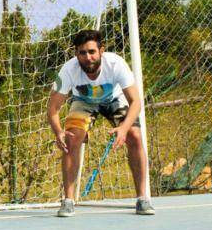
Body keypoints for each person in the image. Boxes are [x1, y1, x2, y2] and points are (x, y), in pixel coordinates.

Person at [46, 29, 154, 217]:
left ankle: (142, 199)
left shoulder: (116, 64)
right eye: (82, 53)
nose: (88, 57)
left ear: (101, 50)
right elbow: (53, 108)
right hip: (84, 101)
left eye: (92, 52)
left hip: (115, 99)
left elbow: (136, 101)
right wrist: (58, 132)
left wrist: (123, 128)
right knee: (71, 138)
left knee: (134, 135)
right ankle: (68, 200)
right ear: (76, 54)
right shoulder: (68, 70)